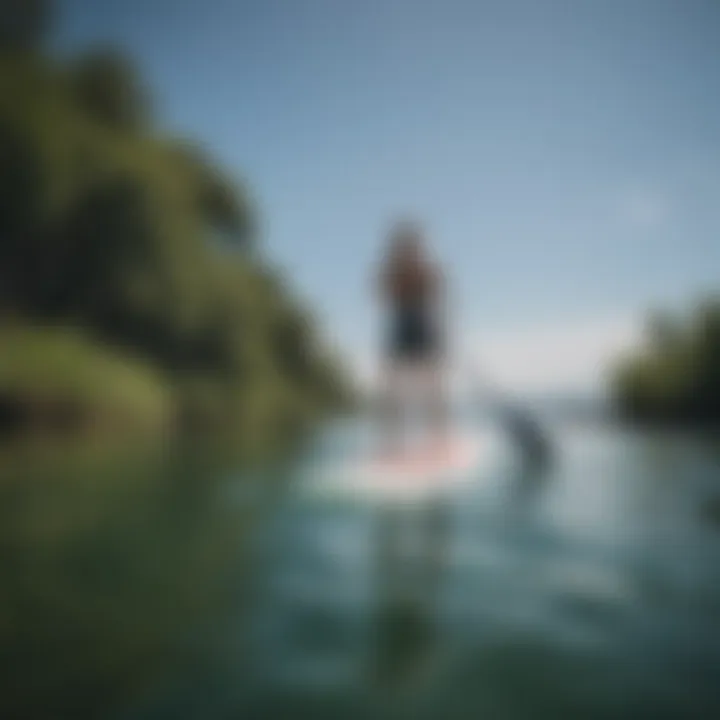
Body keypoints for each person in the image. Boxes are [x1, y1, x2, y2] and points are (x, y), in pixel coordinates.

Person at [375, 221, 449, 459]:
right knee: (393, 389)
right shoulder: (392, 271)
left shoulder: (427, 269)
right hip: (402, 326)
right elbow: (382, 294)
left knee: (433, 388)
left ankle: (438, 442)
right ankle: (393, 445)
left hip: (423, 325)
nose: (407, 250)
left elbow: (437, 293)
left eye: (411, 245)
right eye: (403, 246)